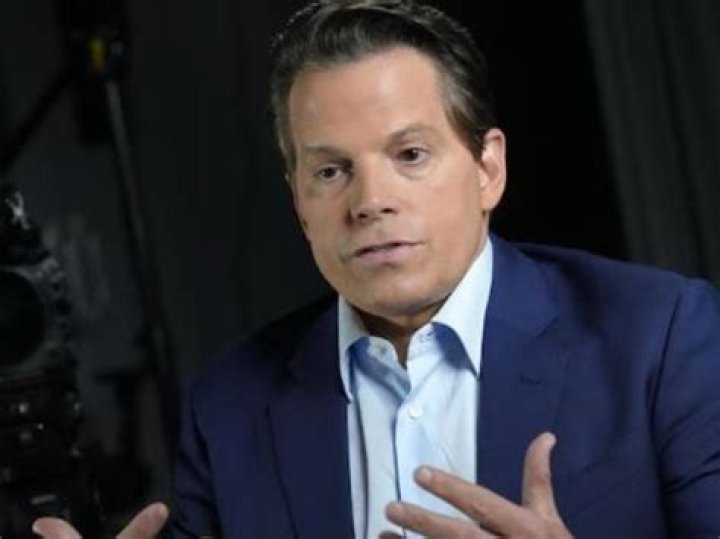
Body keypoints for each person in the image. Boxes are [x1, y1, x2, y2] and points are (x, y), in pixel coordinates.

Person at [34, 0, 720, 537]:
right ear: (300, 203)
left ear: (488, 168)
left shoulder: (658, 340)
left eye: (410, 155)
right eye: (331, 171)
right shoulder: (230, 409)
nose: (369, 201)